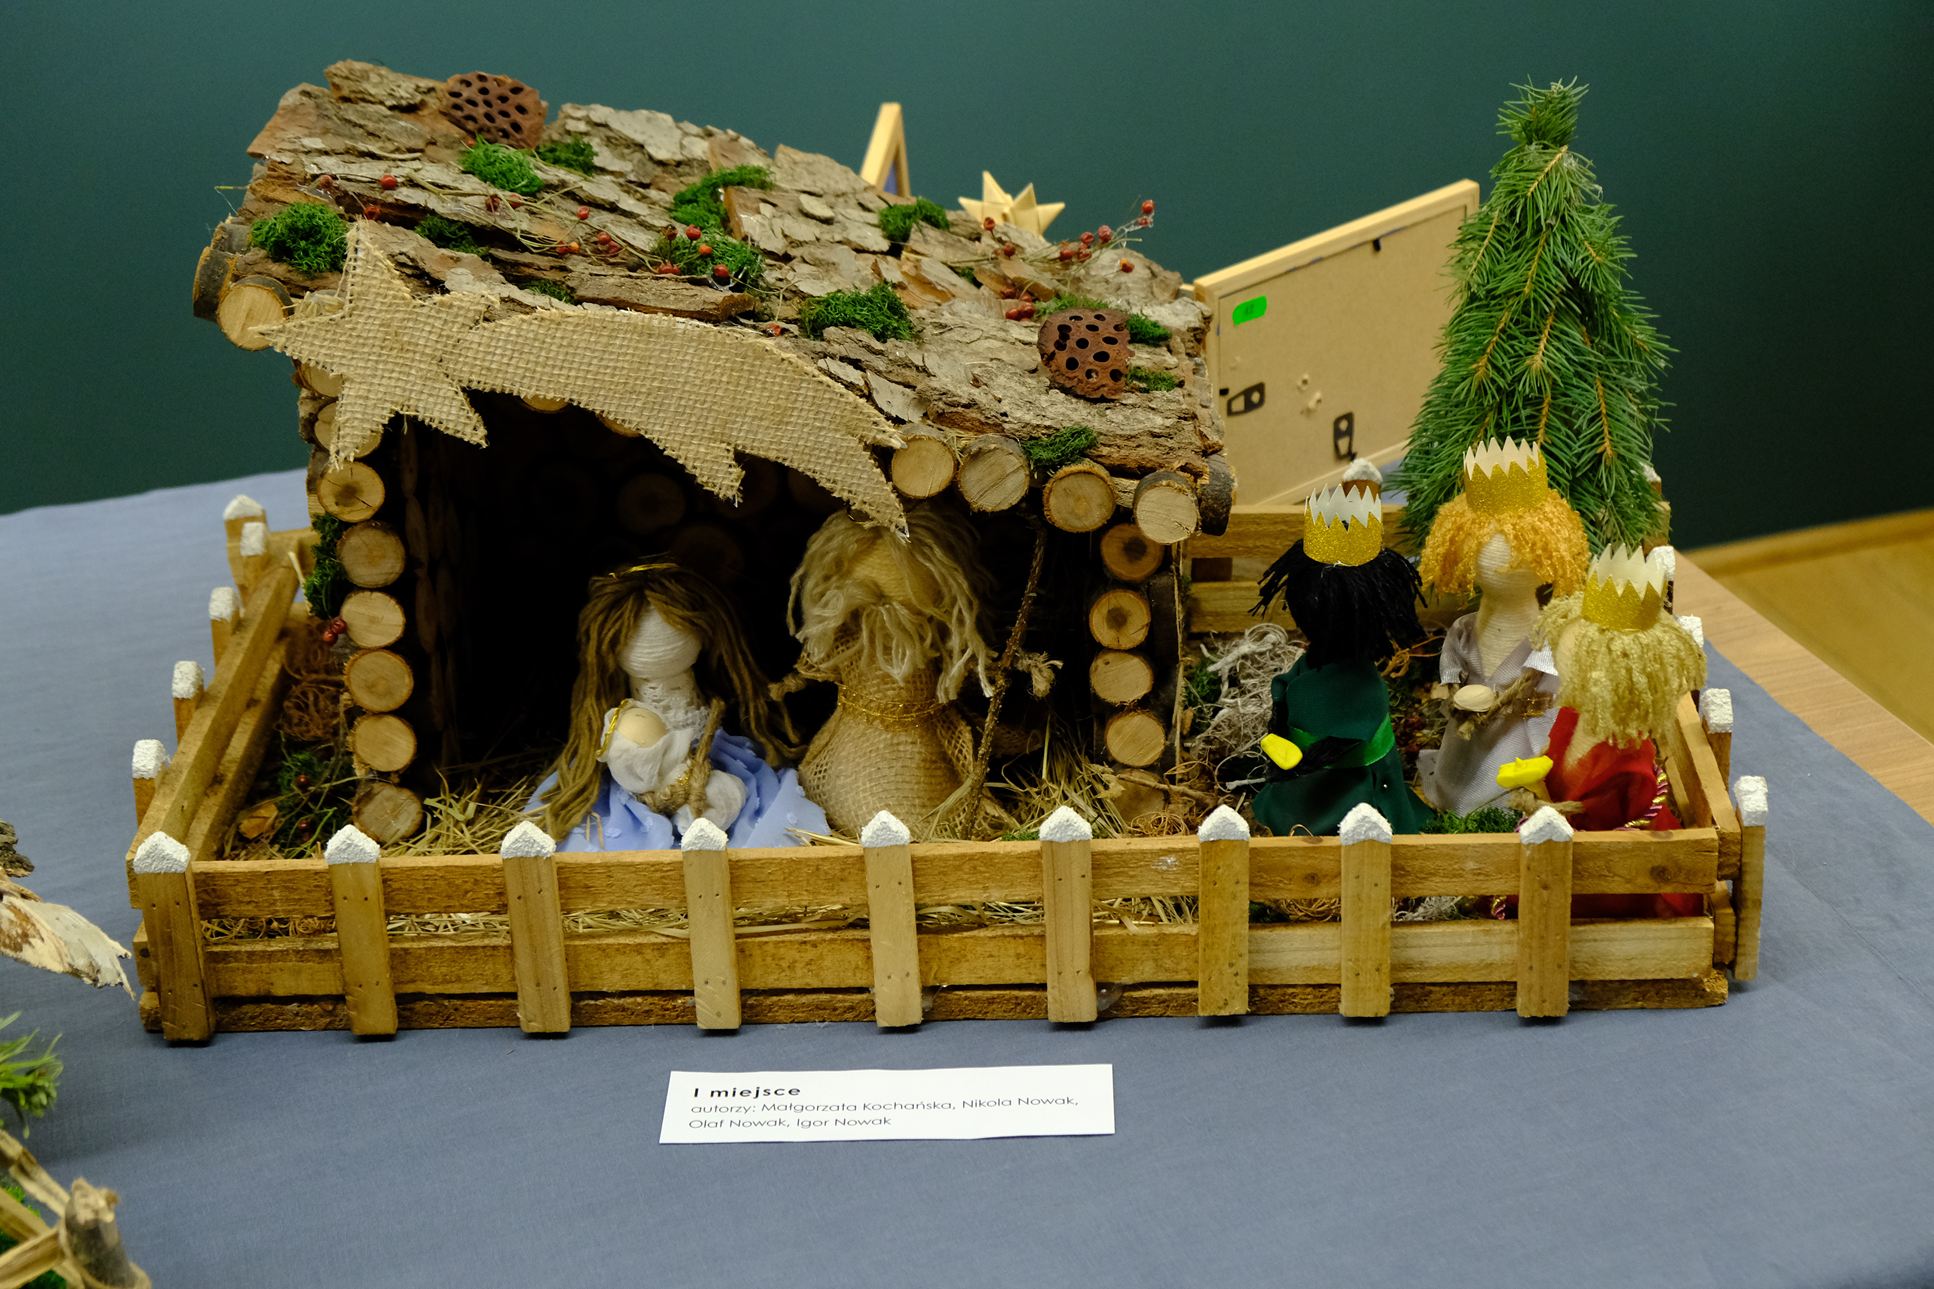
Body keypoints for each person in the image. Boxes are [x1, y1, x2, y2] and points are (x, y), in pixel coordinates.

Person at [531, 561, 825, 850]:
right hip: (643, 783)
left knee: (732, 797)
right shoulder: (619, 729)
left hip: (709, 759)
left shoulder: (718, 717)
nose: (656, 652)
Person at [1251, 485, 1433, 837]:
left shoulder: (1360, 685)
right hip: (1301, 788)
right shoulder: (1313, 664)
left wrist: (1310, 760)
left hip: (1351, 788)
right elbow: (1287, 691)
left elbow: (1352, 734)